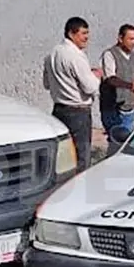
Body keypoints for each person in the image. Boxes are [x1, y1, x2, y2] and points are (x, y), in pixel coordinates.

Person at [43, 17, 101, 171]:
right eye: (83, 33)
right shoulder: (75, 55)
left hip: (59, 109)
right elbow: (90, 87)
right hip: (78, 112)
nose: (86, 37)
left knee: (62, 157)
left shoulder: (52, 55)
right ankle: (79, 190)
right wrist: (96, 76)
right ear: (71, 33)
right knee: (81, 157)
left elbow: (47, 84)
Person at [98, 24, 134, 146]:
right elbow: (110, 79)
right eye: (130, 39)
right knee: (115, 141)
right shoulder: (109, 55)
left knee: (126, 142)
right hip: (112, 107)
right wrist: (129, 86)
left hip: (129, 107)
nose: (133, 42)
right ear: (120, 38)